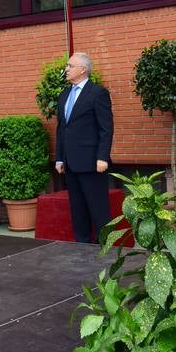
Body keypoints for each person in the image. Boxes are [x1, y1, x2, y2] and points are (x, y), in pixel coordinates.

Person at [55, 52, 113, 244]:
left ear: (83, 69)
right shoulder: (64, 95)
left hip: (92, 162)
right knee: (77, 208)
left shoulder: (98, 93)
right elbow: (62, 129)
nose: (66, 69)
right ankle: (82, 245)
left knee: (98, 208)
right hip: (70, 163)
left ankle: (106, 246)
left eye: (70, 66)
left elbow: (106, 128)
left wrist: (103, 157)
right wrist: (60, 158)